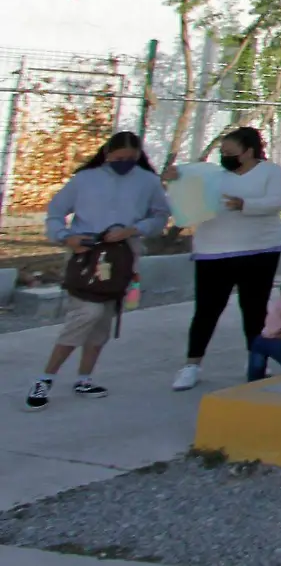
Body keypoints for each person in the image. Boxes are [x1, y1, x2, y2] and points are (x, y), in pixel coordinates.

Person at [29, 133, 172, 411]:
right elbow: (56, 212)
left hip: (122, 255)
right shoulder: (85, 179)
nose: (125, 163)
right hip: (86, 253)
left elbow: (159, 216)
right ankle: (45, 378)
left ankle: (85, 377)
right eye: (120, 158)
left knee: (103, 320)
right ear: (107, 152)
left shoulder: (148, 181)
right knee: (86, 314)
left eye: (131, 159)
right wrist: (65, 236)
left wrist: (133, 230)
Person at [171, 127, 281, 392]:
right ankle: (192, 364)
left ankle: (257, 359)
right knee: (207, 309)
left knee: (254, 307)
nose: (225, 156)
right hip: (213, 250)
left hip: (259, 249)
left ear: (248, 151)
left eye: (230, 152)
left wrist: (244, 204)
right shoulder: (213, 175)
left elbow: (277, 201)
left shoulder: (272, 172)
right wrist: (175, 180)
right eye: (222, 152)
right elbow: (187, 191)